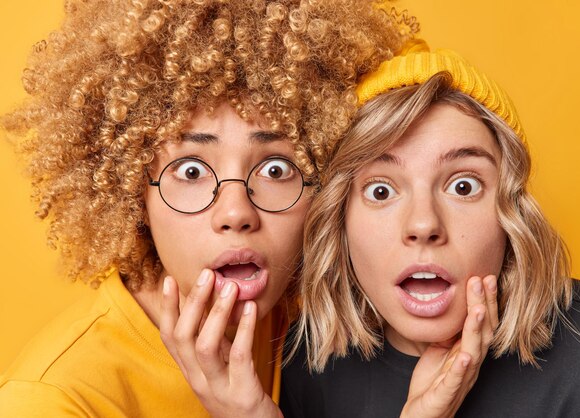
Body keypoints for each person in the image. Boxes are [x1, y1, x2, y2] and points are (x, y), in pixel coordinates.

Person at [0, 0, 411, 416]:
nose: (236, 213)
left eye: (275, 168)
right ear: (131, 188)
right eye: (192, 171)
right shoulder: (52, 401)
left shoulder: (316, 323)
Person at [280, 42, 580, 417]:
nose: (424, 224)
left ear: (512, 212)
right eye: (381, 190)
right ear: (339, 220)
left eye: (463, 186)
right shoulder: (304, 366)